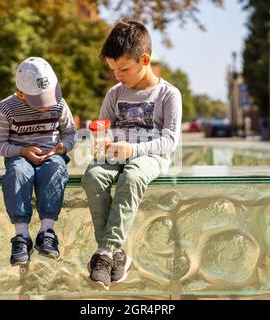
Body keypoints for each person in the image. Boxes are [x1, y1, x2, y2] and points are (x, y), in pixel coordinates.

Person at [81, 20, 182, 290]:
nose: (117, 76)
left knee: (133, 177)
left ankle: (104, 252)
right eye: (113, 70)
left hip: (150, 155)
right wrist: (101, 143)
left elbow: (170, 141)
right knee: (93, 176)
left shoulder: (168, 95)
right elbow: (104, 127)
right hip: (117, 154)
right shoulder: (114, 94)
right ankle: (116, 255)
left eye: (123, 69)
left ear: (145, 59)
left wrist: (134, 150)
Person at [0, 57, 76, 266]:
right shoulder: (6, 108)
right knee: (17, 173)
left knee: (56, 168)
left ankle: (46, 231)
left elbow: (70, 134)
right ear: (21, 93)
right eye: (40, 102)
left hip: (52, 155)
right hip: (21, 157)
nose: (47, 107)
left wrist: (61, 148)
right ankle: (22, 236)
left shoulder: (59, 105)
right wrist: (22, 151)